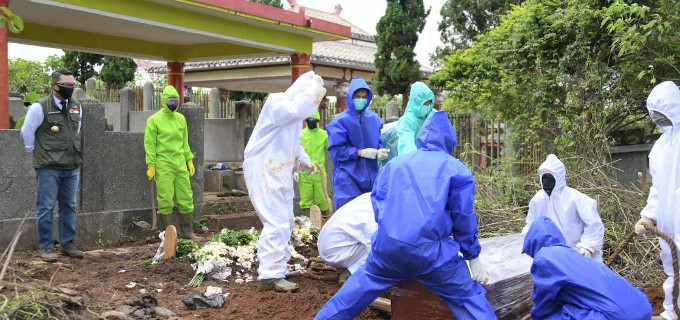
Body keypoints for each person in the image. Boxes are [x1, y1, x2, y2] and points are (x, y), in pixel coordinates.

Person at [315, 111, 495, 320]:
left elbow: (378, 201)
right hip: (432, 255)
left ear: (421, 136)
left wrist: (391, 231)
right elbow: (462, 216)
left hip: (388, 250)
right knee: (470, 301)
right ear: (450, 140)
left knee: (349, 297)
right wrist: (472, 255)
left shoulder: (395, 164)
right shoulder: (455, 169)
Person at [243, 71, 326, 292]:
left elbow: (295, 144)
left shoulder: (295, 117)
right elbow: (294, 110)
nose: (313, 105)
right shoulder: (277, 102)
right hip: (263, 169)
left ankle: (280, 264)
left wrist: (305, 161)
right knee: (276, 221)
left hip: (280, 171)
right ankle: (271, 274)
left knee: (287, 221)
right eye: (313, 98)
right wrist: (311, 96)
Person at [523, 216, 652, 320]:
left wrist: (534, 315)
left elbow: (543, 301)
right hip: (643, 308)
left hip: (615, 316)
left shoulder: (544, 257)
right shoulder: (572, 253)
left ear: (533, 242)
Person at [20, 70, 84, 263]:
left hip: (71, 165)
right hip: (48, 167)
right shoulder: (40, 107)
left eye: (72, 85)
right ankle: (46, 247)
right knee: (46, 207)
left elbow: (76, 131)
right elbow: (26, 132)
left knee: (69, 206)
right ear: (54, 85)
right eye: (65, 85)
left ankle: (67, 244)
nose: (69, 88)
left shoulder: (76, 106)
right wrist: (37, 152)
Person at [635, 80, 680, 320]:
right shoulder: (659, 147)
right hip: (668, 218)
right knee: (673, 266)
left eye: (663, 112)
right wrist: (648, 215)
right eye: (655, 114)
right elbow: (657, 188)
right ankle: (672, 311)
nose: (660, 118)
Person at [523, 154, 604, 261]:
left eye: (551, 177)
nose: (547, 180)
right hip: (550, 256)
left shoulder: (576, 198)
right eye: (545, 176)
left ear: (559, 177)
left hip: (577, 254)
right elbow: (531, 225)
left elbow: (594, 224)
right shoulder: (537, 200)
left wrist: (587, 247)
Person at [144, 85, 198, 240]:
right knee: (165, 198)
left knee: (186, 196)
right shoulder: (154, 120)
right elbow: (150, 144)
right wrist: (151, 165)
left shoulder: (181, 119)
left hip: (180, 163)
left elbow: (185, 142)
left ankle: (187, 232)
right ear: (163, 100)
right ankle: (168, 235)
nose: (173, 103)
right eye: (170, 100)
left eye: (176, 100)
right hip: (164, 163)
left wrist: (189, 160)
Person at [327, 77, 387, 210]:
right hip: (348, 179)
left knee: (370, 218)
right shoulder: (339, 122)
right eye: (357, 96)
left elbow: (378, 142)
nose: (361, 99)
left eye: (364, 97)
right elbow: (336, 151)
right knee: (348, 217)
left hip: (372, 177)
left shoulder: (374, 119)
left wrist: (380, 151)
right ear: (350, 97)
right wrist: (359, 152)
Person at [318, 192, 377, 284]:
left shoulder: (371, 197)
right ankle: (354, 273)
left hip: (333, 244)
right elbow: (374, 244)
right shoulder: (373, 212)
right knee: (383, 245)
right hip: (336, 252)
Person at [296, 110, 331, 214]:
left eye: (313, 120)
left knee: (322, 197)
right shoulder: (301, 135)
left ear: (317, 121)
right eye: (309, 120)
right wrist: (295, 170)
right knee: (306, 198)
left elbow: (331, 149)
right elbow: (295, 153)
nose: (311, 122)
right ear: (306, 120)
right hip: (305, 171)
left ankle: (324, 219)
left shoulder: (324, 135)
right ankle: (308, 222)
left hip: (319, 171)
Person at [396, 81, 436, 156]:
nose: (427, 105)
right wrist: (414, 160)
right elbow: (406, 144)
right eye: (424, 102)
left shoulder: (434, 115)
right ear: (415, 102)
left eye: (429, 102)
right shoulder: (407, 121)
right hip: (416, 161)